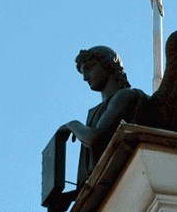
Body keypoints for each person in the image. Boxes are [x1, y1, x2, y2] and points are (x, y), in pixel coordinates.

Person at [56, 46, 150, 190]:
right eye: (82, 72)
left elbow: (95, 138)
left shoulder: (126, 96)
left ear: (108, 65)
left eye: (89, 68)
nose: (85, 77)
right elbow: (97, 165)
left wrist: (72, 125)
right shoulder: (96, 112)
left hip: (130, 178)